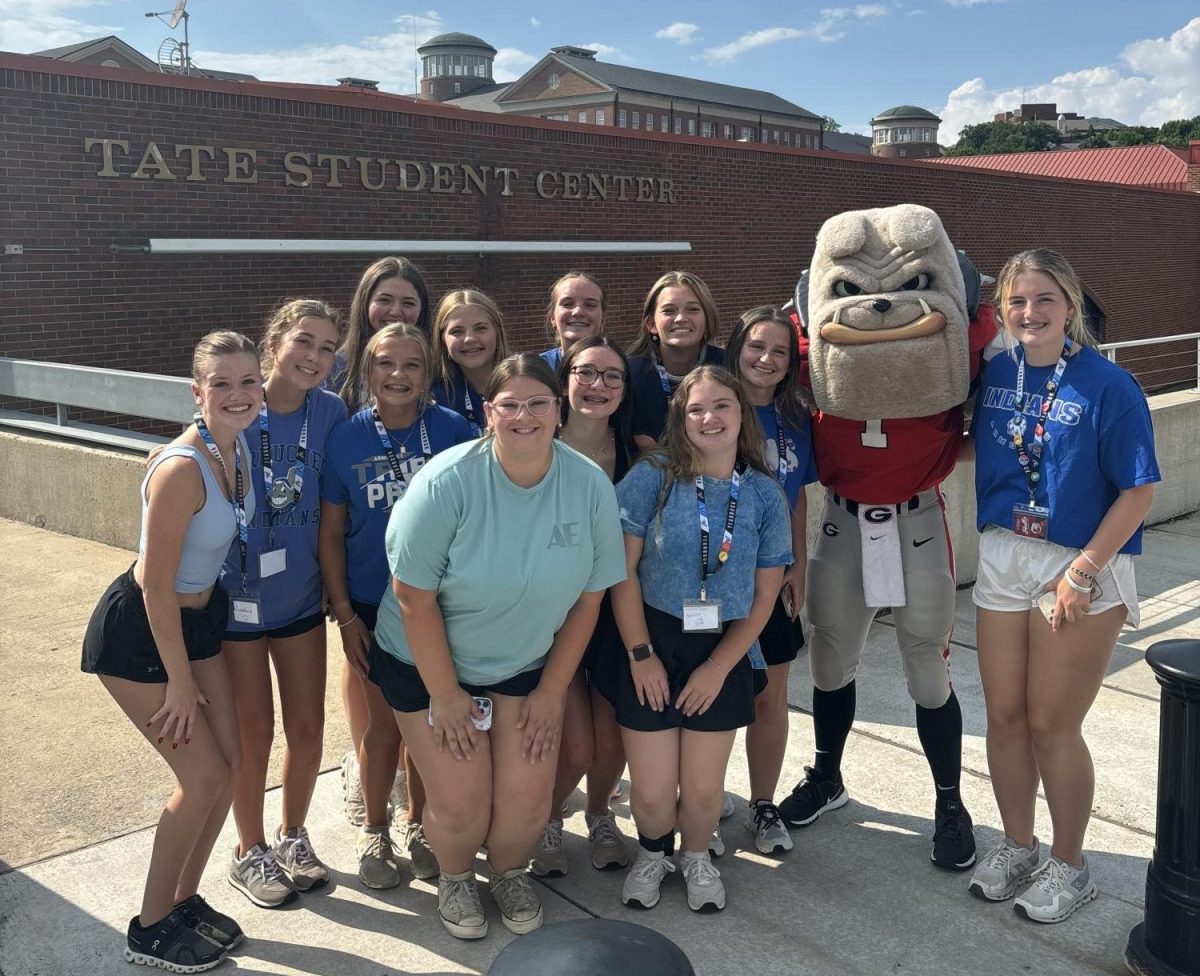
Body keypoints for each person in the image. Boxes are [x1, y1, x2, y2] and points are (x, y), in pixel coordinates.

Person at [373, 354, 625, 940]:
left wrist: (551, 693)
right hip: (426, 663)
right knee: (462, 804)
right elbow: (413, 598)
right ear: (489, 414)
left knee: (527, 806)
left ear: (559, 412)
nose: (525, 415)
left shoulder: (587, 485)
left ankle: (510, 871)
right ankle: (457, 875)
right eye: (509, 404)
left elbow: (590, 600)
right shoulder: (446, 480)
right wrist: (447, 695)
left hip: (524, 663)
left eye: (538, 402)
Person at [966, 248, 1159, 922]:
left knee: (1052, 724)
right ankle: (1019, 844)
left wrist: (1083, 571)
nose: (1030, 312)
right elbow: (973, 443)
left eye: (1044, 299)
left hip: (1080, 560)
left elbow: (1139, 489)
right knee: (1005, 718)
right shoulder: (995, 374)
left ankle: (1070, 866)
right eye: (1017, 301)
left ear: (1070, 304)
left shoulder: (1108, 385)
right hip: (1004, 555)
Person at [81, 331, 262, 972]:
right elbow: (155, 586)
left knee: (234, 763)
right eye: (222, 384)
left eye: (248, 381)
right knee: (203, 776)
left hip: (200, 621)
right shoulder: (184, 468)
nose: (237, 395)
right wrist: (180, 684)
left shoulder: (235, 450)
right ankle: (150, 926)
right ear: (196, 392)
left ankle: (185, 900)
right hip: (142, 632)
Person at [601, 366, 792, 913]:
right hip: (652, 639)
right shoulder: (652, 477)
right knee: (655, 792)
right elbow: (622, 572)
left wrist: (716, 669)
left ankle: (696, 857)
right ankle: (653, 853)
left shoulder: (762, 494)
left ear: (741, 415)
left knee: (705, 791)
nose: (710, 418)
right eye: (696, 409)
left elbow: (764, 597)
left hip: (723, 647)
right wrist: (640, 655)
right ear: (680, 420)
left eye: (722, 406)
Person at [319, 324, 472, 890]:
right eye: (386, 363)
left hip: (440, 602)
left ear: (429, 371)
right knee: (383, 727)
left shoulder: (455, 430)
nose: (399, 375)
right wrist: (344, 614)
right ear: (369, 370)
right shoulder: (347, 438)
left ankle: (420, 826)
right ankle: (376, 830)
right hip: (370, 601)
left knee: (429, 723)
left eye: (412, 364)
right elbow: (331, 534)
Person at [222, 301, 347, 910]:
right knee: (254, 733)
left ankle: (293, 835)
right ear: (275, 342)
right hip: (238, 601)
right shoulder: (242, 407)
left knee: (307, 727)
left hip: (300, 594)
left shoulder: (331, 411)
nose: (315, 358)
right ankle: (248, 851)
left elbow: (334, 504)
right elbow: (189, 451)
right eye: (305, 341)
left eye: (328, 349)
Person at [529, 336, 637, 878]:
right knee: (573, 746)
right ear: (564, 380)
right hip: (556, 617)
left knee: (613, 735)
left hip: (617, 615)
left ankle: (598, 815)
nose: (598, 386)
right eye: (586, 373)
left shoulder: (640, 455)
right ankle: (545, 820)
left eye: (612, 376)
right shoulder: (535, 444)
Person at [723, 307, 818, 855]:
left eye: (779, 351)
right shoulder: (711, 406)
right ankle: (702, 800)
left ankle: (763, 803)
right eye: (757, 346)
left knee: (770, 696)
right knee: (708, 693)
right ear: (737, 347)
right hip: (715, 578)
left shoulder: (796, 420)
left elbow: (798, 496)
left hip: (773, 577)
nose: (766, 358)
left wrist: (799, 564)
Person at [627, 271, 724, 452]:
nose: (681, 318)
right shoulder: (629, 374)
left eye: (693, 309)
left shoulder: (728, 367)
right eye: (669, 311)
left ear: (707, 319)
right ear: (651, 324)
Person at [333, 256, 431, 409]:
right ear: (365, 303)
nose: (396, 312)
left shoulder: (437, 369)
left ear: (421, 309)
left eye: (408, 303)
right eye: (384, 300)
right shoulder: (335, 368)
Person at [428, 289, 511, 437]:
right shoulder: (435, 399)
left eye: (480, 328)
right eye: (457, 331)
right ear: (442, 339)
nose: (469, 339)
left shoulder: (525, 383)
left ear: (497, 332)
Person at [538, 271, 607, 371]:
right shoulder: (536, 371)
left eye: (590, 305)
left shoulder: (622, 369)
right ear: (552, 317)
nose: (578, 312)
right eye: (568, 304)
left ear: (603, 318)